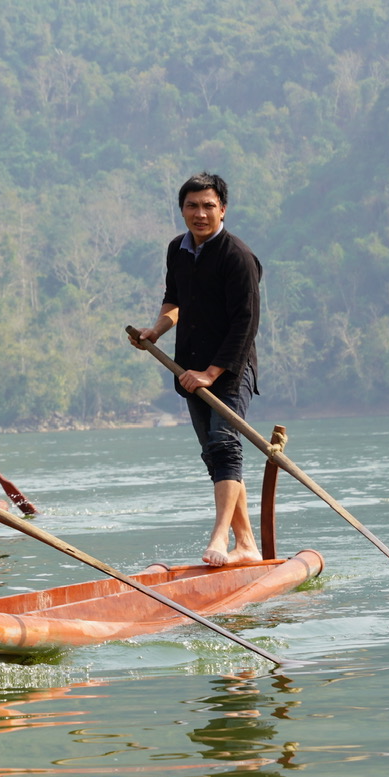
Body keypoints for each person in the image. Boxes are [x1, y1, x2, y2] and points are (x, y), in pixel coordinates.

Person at [127, 172, 264, 568]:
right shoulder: (179, 250)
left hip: (230, 373)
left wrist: (212, 372)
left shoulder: (237, 256)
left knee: (225, 446)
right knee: (215, 455)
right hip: (190, 370)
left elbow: (246, 322)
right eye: (192, 206)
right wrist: (156, 329)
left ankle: (220, 538)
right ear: (182, 209)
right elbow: (174, 300)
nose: (200, 214)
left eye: (208, 206)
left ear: (223, 209)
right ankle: (248, 545)